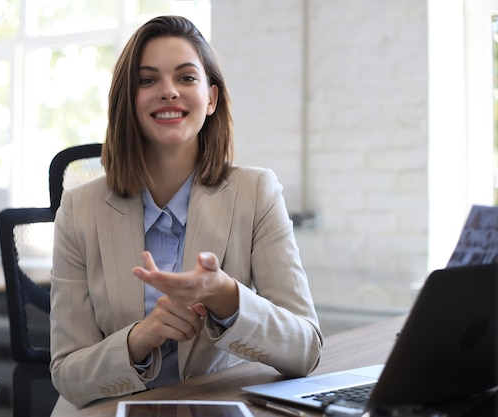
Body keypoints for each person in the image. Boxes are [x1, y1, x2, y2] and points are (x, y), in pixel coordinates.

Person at [49, 15, 323, 409]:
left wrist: (227, 297)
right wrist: (139, 338)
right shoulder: (79, 210)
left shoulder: (256, 193)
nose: (169, 92)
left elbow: (306, 351)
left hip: (210, 407)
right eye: (147, 80)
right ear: (129, 100)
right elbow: (67, 374)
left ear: (211, 98)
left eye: (186, 78)